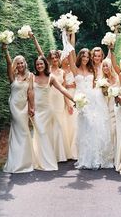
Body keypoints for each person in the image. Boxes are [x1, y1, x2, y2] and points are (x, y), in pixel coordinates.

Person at [68, 47, 114, 169]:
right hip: (82, 101)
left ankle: (96, 158)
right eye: (83, 57)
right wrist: (67, 34)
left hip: (93, 100)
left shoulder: (92, 69)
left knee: (94, 127)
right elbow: (70, 53)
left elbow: (106, 66)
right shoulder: (77, 69)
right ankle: (85, 158)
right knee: (85, 128)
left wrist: (111, 47)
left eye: (87, 57)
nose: (86, 59)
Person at [29, 32, 70, 161]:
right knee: (47, 126)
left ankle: (58, 152)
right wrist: (35, 39)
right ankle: (47, 152)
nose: (54, 59)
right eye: (51, 57)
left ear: (59, 58)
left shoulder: (62, 72)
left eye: (56, 57)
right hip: (47, 98)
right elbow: (40, 54)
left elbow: (63, 88)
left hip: (59, 99)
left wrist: (70, 102)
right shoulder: (46, 70)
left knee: (58, 125)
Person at [30, 56, 75, 171]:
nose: (39, 66)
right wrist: (30, 107)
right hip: (37, 111)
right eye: (37, 64)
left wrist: (75, 100)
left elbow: (62, 89)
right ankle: (42, 159)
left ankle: (49, 158)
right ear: (35, 66)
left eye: (41, 64)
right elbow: (29, 93)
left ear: (45, 64)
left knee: (49, 133)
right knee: (41, 133)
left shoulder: (51, 77)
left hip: (48, 109)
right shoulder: (32, 77)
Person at [2, 44, 35, 173]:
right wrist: (5, 50)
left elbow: (30, 92)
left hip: (24, 105)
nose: (20, 65)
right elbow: (9, 63)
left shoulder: (30, 76)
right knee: (19, 130)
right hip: (14, 105)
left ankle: (25, 161)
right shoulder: (13, 76)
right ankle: (16, 162)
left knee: (25, 131)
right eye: (18, 63)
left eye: (22, 63)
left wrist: (32, 107)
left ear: (25, 64)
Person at [101, 58, 119, 153]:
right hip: (107, 107)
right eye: (103, 66)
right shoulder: (102, 80)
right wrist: (104, 89)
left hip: (117, 106)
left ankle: (118, 152)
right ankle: (111, 152)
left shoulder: (117, 77)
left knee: (117, 129)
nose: (105, 68)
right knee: (110, 130)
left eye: (106, 65)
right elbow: (103, 95)